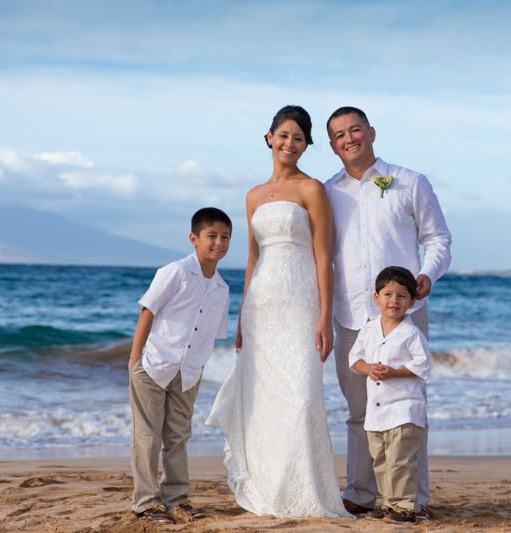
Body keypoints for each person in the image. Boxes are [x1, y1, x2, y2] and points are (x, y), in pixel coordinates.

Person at [206, 105, 352, 519]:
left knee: (302, 398)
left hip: (301, 301)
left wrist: (325, 316)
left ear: (307, 146)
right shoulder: (252, 195)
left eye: (299, 138)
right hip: (261, 306)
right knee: (264, 400)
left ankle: (305, 488)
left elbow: (324, 257)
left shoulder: (312, 189)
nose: (290, 143)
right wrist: (240, 313)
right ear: (269, 137)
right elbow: (252, 258)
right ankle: (271, 487)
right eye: (283, 135)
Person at [324, 106, 452, 519]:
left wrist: (426, 275)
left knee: (407, 408)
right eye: (340, 135)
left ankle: (415, 501)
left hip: (404, 314)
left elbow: (438, 239)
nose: (349, 138)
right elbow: (323, 256)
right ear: (332, 145)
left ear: (371, 132)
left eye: (355, 129)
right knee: (360, 412)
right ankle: (361, 495)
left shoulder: (409, 182)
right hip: (351, 316)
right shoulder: (328, 193)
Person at [128, 207, 232, 523]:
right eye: (211, 236)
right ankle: (146, 503)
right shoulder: (174, 272)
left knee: (178, 436)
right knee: (147, 437)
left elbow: (210, 335)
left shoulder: (222, 288)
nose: (219, 243)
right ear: (194, 238)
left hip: (188, 374)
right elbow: (147, 311)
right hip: (154, 365)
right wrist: (135, 360)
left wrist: (198, 367)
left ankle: (176, 499)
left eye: (225, 237)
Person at [350, 266, 431, 524]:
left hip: (404, 409)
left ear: (412, 301)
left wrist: (393, 373)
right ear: (376, 298)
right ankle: (389, 504)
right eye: (387, 294)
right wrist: (369, 368)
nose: (393, 301)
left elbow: (422, 365)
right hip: (377, 412)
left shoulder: (412, 333)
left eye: (401, 296)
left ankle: (406, 506)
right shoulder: (369, 329)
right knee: (381, 460)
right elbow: (355, 359)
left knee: (401, 460)